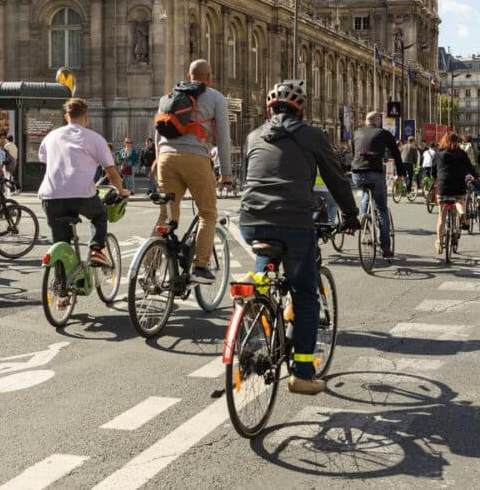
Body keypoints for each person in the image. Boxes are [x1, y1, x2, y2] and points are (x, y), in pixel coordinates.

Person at [239, 80, 360, 395]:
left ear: (270, 109)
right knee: (306, 297)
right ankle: (302, 374)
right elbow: (336, 179)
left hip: (251, 220)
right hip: (294, 221)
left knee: (268, 249)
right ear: (301, 109)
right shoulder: (313, 135)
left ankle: (258, 281)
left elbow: (248, 177)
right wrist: (350, 215)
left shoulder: (253, 136)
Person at [156, 59, 232, 284]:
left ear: (188, 77)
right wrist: (225, 173)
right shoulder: (216, 97)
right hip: (197, 158)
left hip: (166, 158)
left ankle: (149, 267)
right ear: (209, 77)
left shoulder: (168, 97)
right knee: (207, 213)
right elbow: (223, 138)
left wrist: (160, 161)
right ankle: (200, 266)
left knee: (167, 215)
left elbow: (159, 132)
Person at [37, 98, 129, 268]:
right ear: (86, 117)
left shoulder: (51, 136)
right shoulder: (94, 138)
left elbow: (44, 159)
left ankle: (62, 287)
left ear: (66, 117)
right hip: (81, 195)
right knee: (99, 215)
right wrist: (121, 191)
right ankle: (96, 250)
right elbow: (111, 171)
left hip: (50, 196)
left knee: (61, 244)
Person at [351, 111, 403, 258]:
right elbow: (396, 154)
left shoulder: (356, 133)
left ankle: (365, 221)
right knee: (381, 209)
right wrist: (400, 174)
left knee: (367, 192)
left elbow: (354, 152)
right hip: (375, 173)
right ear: (377, 120)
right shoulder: (383, 133)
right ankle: (386, 247)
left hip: (357, 174)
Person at [433, 132, 477, 253]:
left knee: (441, 218)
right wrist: (477, 177)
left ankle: (439, 242)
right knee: (459, 200)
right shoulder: (462, 154)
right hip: (458, 185)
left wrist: (434, 178)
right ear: (457, 141)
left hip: (443, 187)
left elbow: (432, 171)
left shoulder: (439, 154)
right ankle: (462, 214)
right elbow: (470, 167)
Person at [460, 135, 480, 205]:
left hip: (463, 171)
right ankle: (478, 197)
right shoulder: (476, 148)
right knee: (479, 188)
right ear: (472, 140)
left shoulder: (460, 148)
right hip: (475, 170)